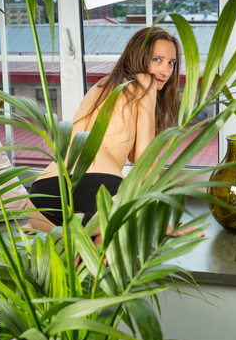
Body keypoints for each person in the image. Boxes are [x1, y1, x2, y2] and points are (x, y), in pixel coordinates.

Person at [26, 26, 193, 243]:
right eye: (158, 60)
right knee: (133, 219)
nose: (166, 71)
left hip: (40, 199)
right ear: (139, 58)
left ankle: (81, 234)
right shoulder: (146, 82)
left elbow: (128, 152)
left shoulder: (102, 85)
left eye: (171, 63)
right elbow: (144, 160)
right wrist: (159, 219)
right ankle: (101, 234)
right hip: (98, 192)